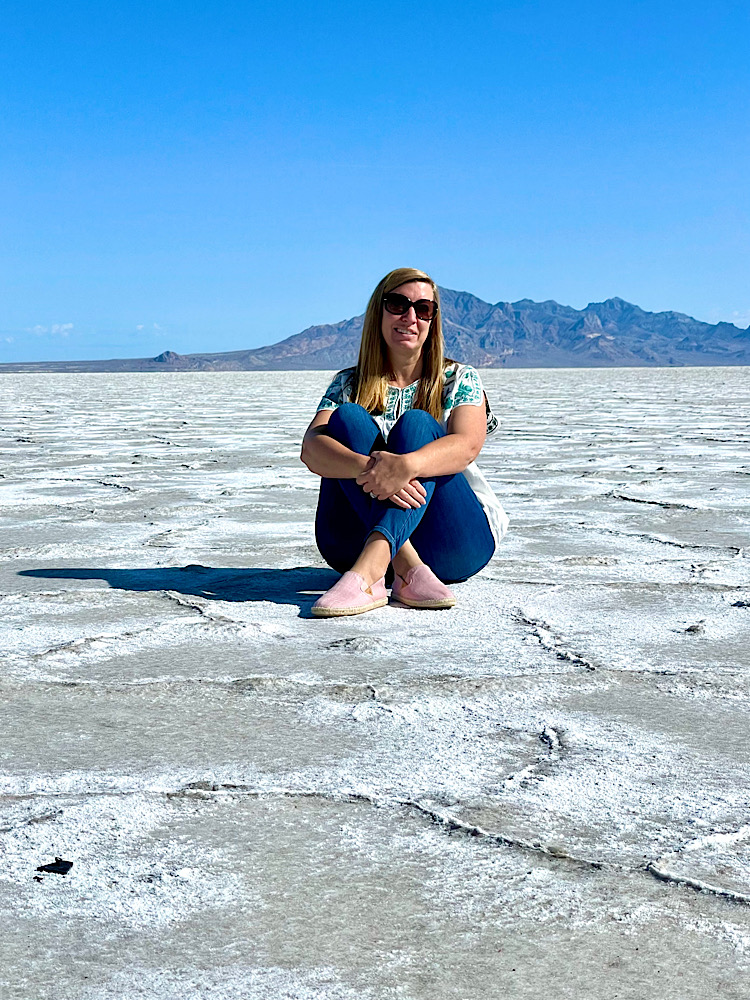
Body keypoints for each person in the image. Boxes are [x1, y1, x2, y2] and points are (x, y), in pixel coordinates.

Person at [300, 267, 508, 617]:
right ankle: (407, 568)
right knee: (347, 419)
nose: (410, 317)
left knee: (417, 425)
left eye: (423, 309)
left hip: (452, 541)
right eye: (398, 304)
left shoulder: (459, 378)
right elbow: (312, 449)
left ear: (433, 320)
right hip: (349, 540)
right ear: (378, 312)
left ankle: (369, 574)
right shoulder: (347, 383)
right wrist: (372, 468)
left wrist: (406, 466)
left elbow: (468, 445)